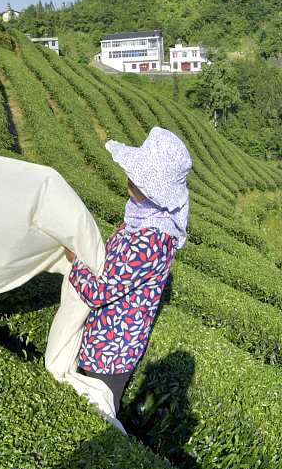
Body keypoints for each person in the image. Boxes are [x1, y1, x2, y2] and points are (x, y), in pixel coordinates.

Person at [63, 126, 191, 417]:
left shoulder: (151, 239)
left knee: (96, 415)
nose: (129, 177)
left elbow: (100, 292)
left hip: (111, 351)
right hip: (100, 335)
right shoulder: (141, 215)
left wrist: (72, 259)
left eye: (138, 176)